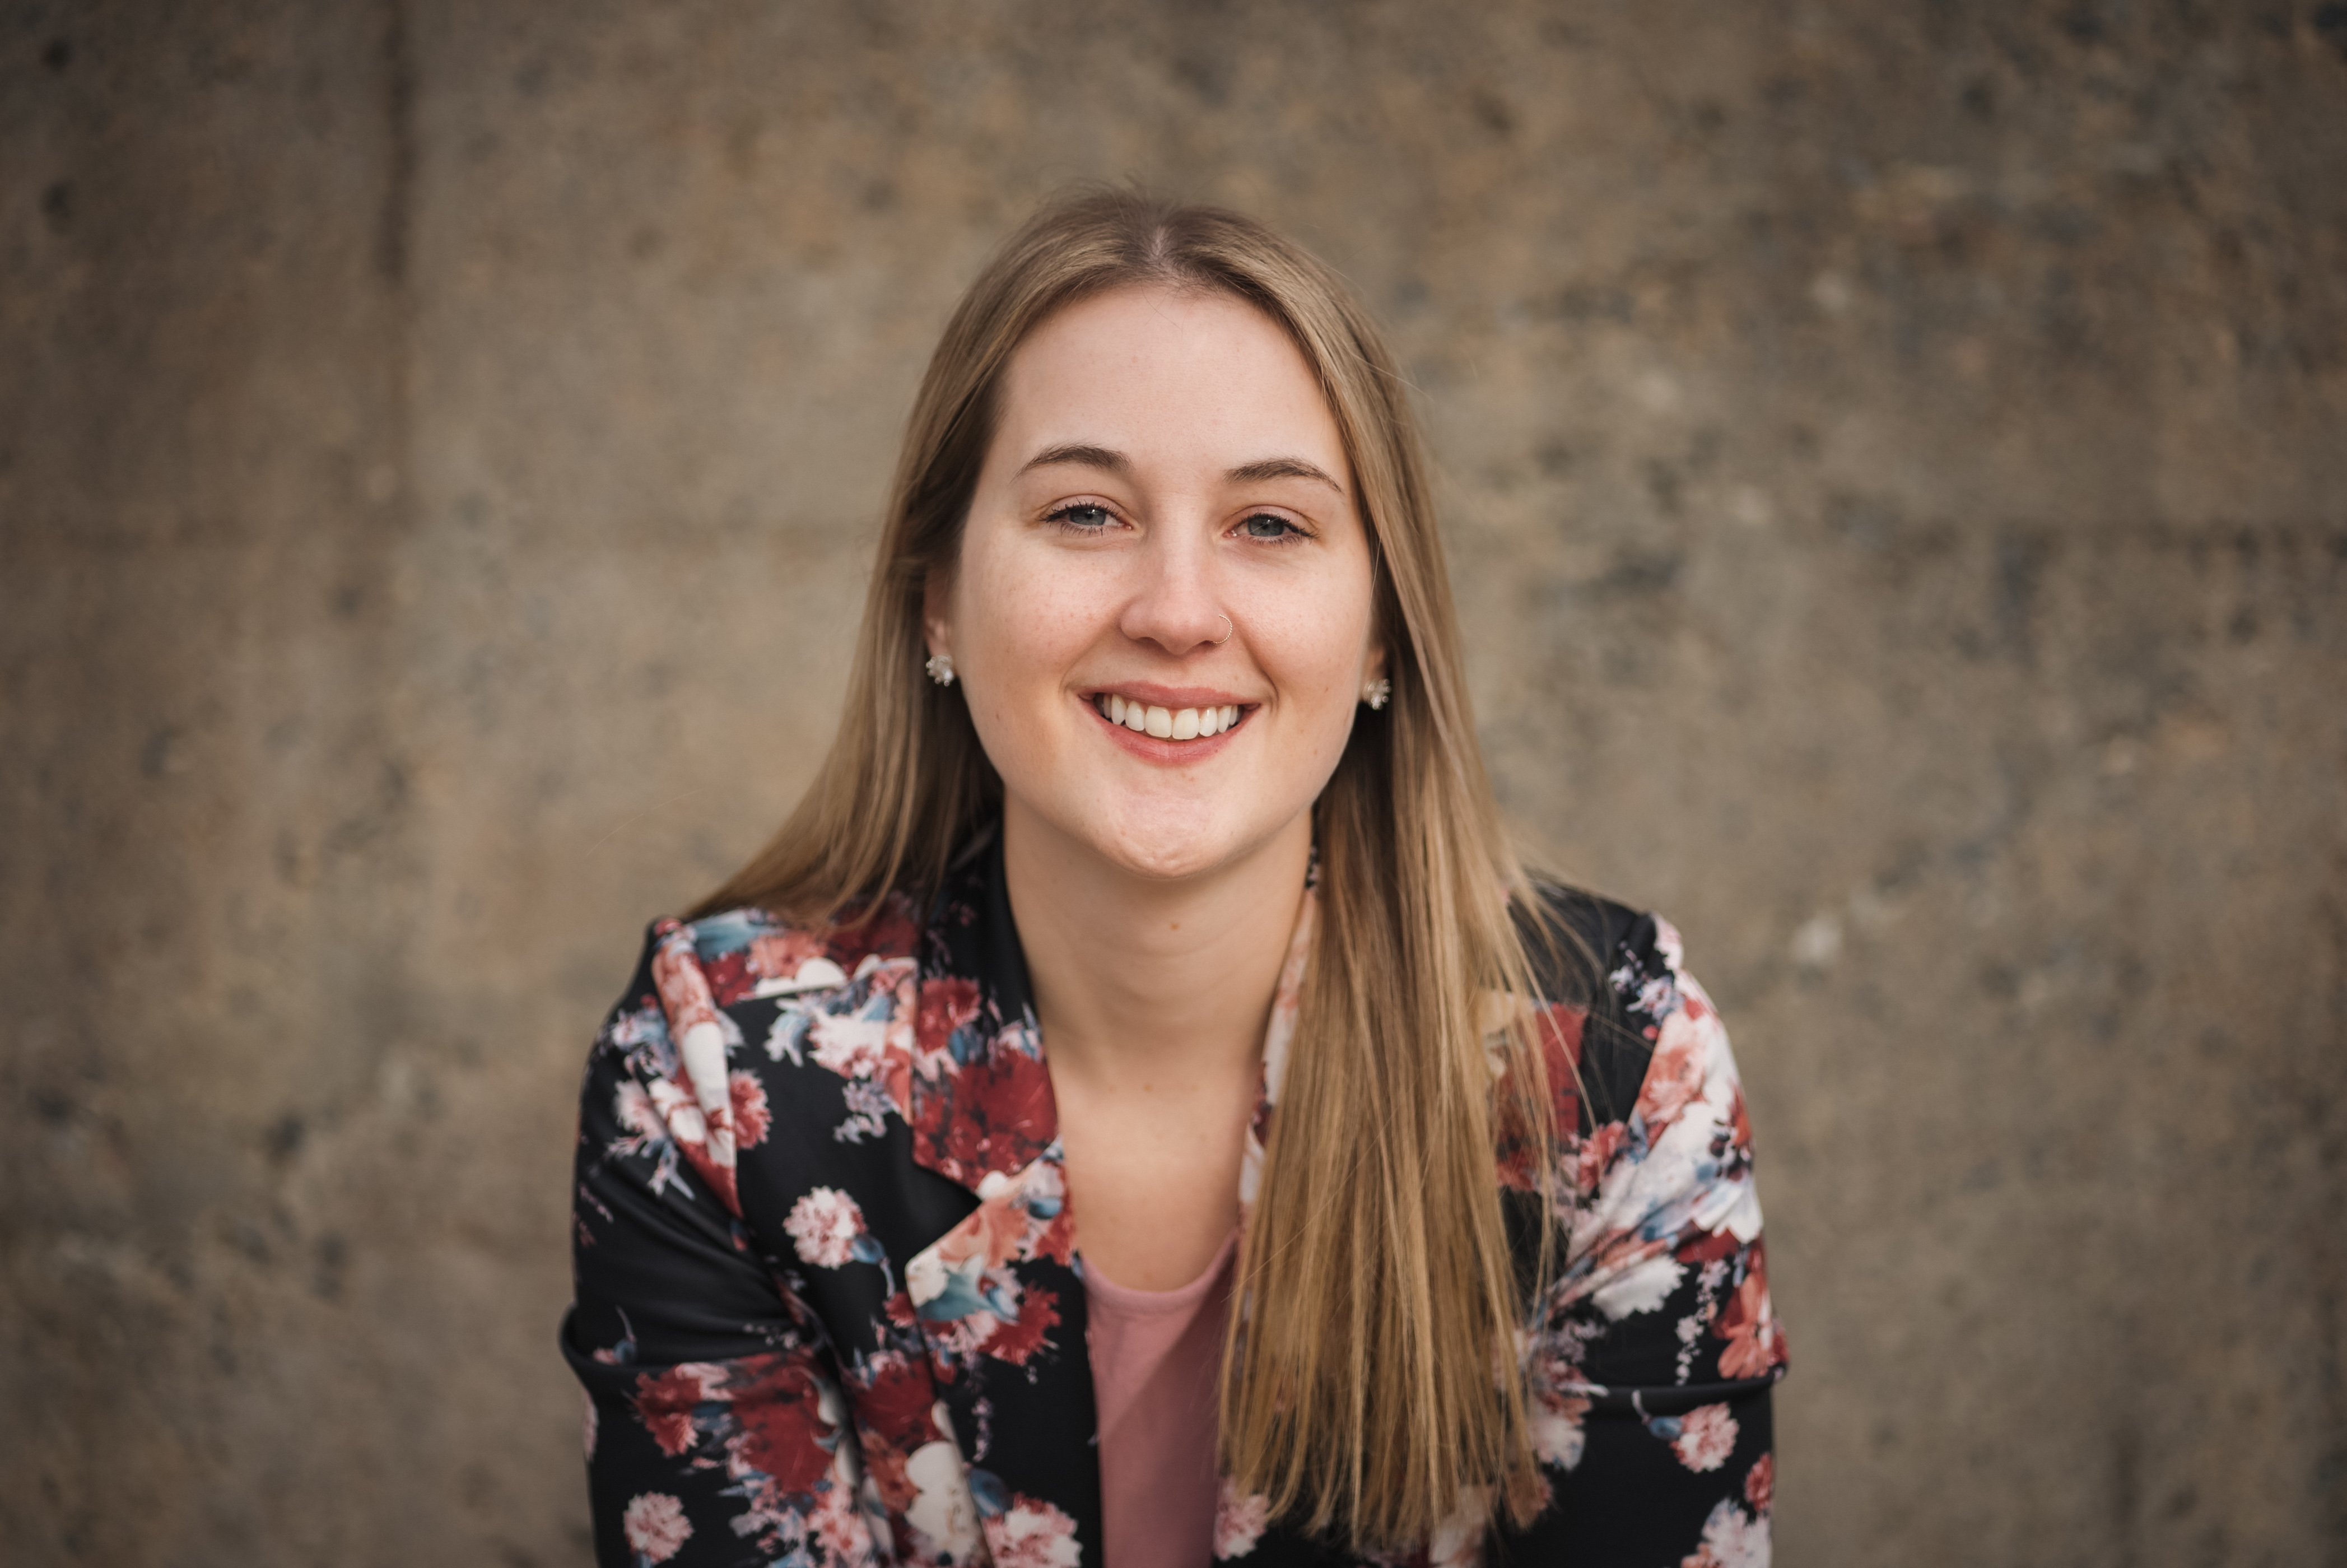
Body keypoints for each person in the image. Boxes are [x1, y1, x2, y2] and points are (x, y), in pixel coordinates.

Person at [562, 191, 1786, 1568]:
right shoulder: (718, 1078)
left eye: (1270, 524)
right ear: (937, 596)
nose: (1178, 612)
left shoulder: (1612, 1067)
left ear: (1381, 631)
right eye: (1085, 511)